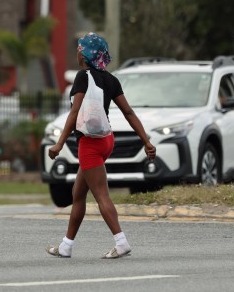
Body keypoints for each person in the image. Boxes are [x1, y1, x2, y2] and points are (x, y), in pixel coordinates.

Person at [46, 32, 156, 259]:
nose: (77, 52)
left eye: (79, 48)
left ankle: (121, 241)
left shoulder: (82, 77)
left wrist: (59, 144)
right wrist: (146, 141)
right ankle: (66, 246)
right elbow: (128, 112)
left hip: (89, 144)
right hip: (106, 141)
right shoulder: (111, 79)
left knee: (101, 195)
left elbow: (74, 113)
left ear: (85, 55)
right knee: (78, 193)